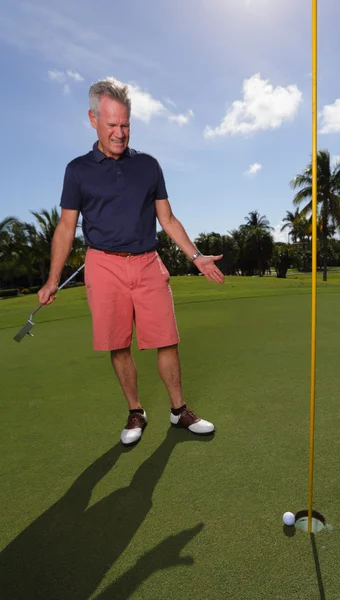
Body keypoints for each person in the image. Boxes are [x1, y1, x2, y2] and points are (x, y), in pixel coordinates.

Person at [38, 77, 225, 447]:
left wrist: (197, 256)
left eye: (125, 125)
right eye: (111, 125)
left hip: (147, 262)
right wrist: (51, 279)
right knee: (118, 344)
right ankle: (136, 410)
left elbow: (167, 219)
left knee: (167, 340)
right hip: (103, 265)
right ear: (93, 120)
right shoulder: (77, 170)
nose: (120, 133)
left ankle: (178, 411)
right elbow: (65, 226)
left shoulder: (149, 166)